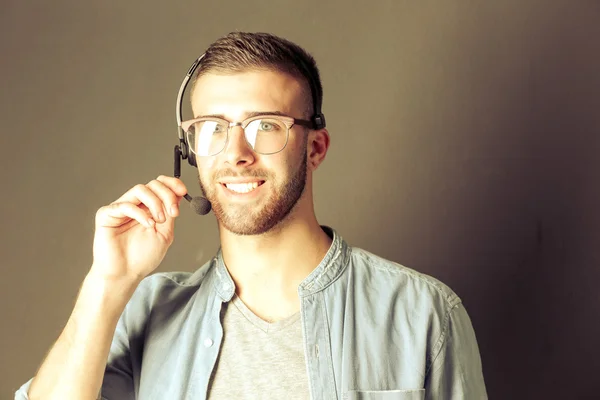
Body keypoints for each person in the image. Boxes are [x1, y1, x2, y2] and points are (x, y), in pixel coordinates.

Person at [16, 32, 487, 400]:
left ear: (315, 148)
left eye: (265, 126)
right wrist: (107, 283)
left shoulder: (423, 313)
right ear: (189, 149)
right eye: (212, 128)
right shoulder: (146, 311)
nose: (235, 153)